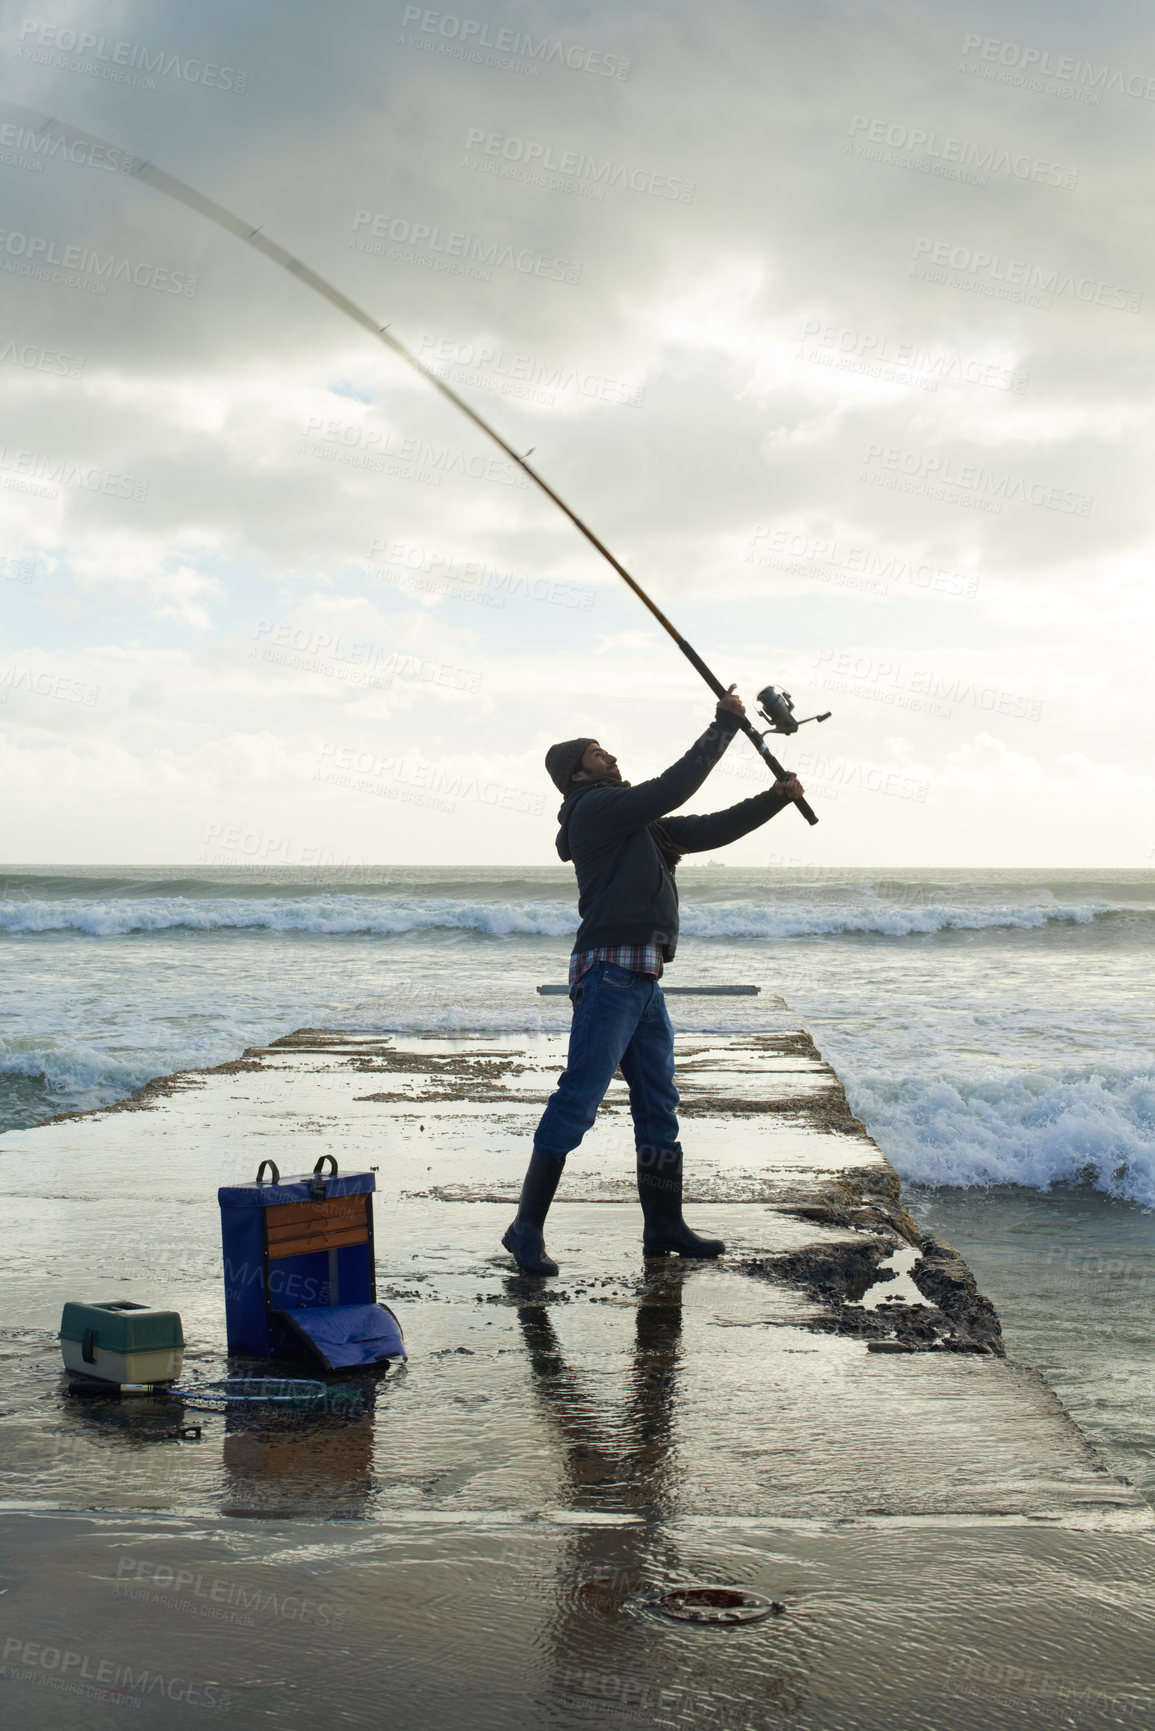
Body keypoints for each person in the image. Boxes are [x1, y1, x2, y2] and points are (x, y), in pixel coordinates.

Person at [502, 687, 805, 1276]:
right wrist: (721, 727)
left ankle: (664, 1226)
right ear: (575, 773)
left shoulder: (637, 825)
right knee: (579, 1099)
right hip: (609, 974)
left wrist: (774, 799)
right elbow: (674, 786)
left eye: (607, 751)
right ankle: (525, 1229)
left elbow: (706, 827)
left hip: (643, 978)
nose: (610, 757)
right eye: (597, 754)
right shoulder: (594, 809)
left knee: (659, 1106)